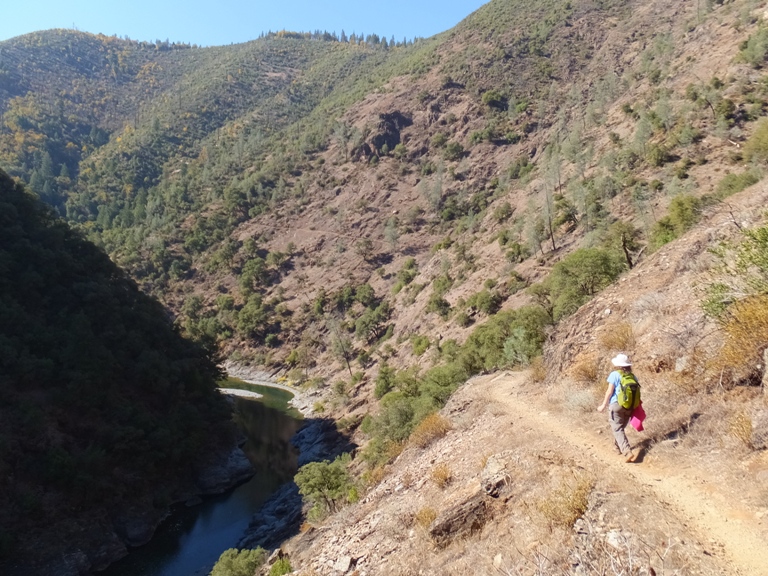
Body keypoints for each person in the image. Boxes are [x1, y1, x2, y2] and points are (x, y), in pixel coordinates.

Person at [597, 353, 638, 462]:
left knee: (617, 428)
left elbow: (609, 392)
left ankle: (626, 451)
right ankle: (617, 447)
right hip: (629, 407)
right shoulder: (633, 376)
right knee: (619, 428)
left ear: (618, 365)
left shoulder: (614, 374)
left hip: (616, 405)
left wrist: (603, 405)